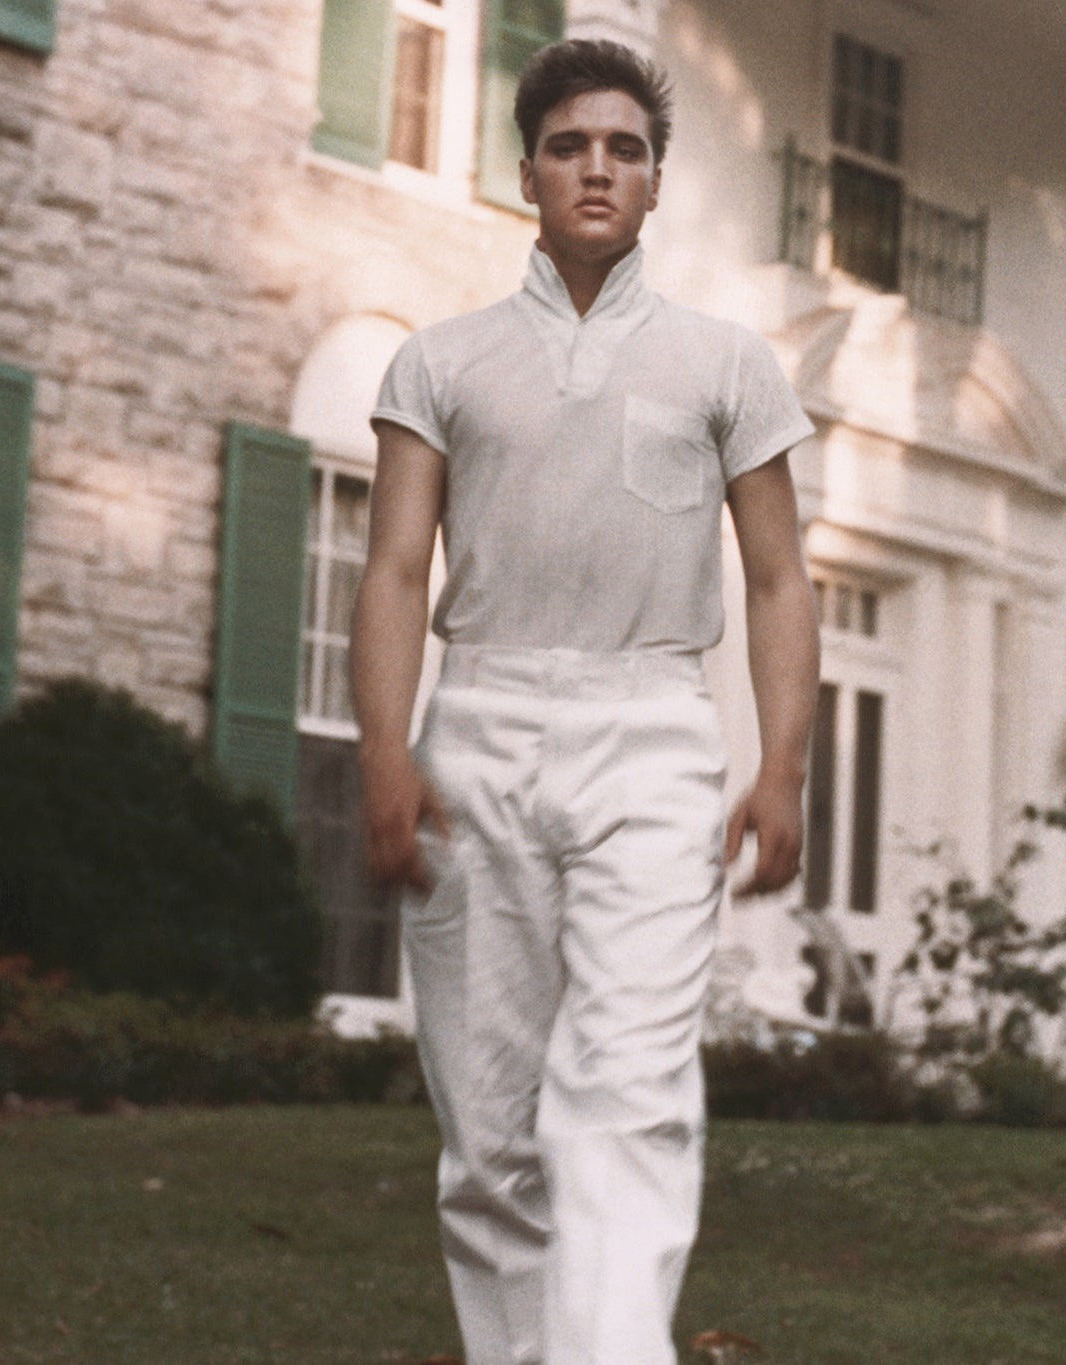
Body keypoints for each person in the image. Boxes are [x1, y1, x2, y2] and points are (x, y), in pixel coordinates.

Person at [352, 37, 820, 1365]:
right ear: (528, 173)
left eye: (623, 147)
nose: (597, 169)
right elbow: (392, 571)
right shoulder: (438, 364)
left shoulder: (727, 363)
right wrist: (386, 751)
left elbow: (780, 578)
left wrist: (780, 765)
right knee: (493, 1125)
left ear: (659, 180)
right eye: (570, 146)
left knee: (622, 1098)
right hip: (478, 729)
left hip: (657, 735)